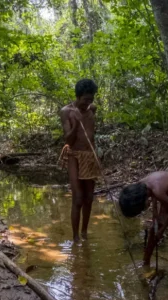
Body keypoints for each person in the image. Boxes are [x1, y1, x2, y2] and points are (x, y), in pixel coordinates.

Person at [118, 171, 168, 294]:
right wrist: (155, 214)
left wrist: (162, 230)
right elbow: (154, 197)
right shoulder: (141, 186)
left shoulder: (157, 191)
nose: (143, 210)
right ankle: (145, 263)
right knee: (153, 229)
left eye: (142, 208)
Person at [60, 79, 101, 242]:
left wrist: (96, 155)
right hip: (74, 155)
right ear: (78, 97)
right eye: (85, 100)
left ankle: (84, 232)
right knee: (78, 197)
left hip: (89, 155)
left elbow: (91, 134)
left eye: (91, 99)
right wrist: (76, 122)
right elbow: (68, 140)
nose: (88, 103)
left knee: (89, 198)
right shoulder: (66, 111)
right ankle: (75, 237)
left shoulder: (92, 109)